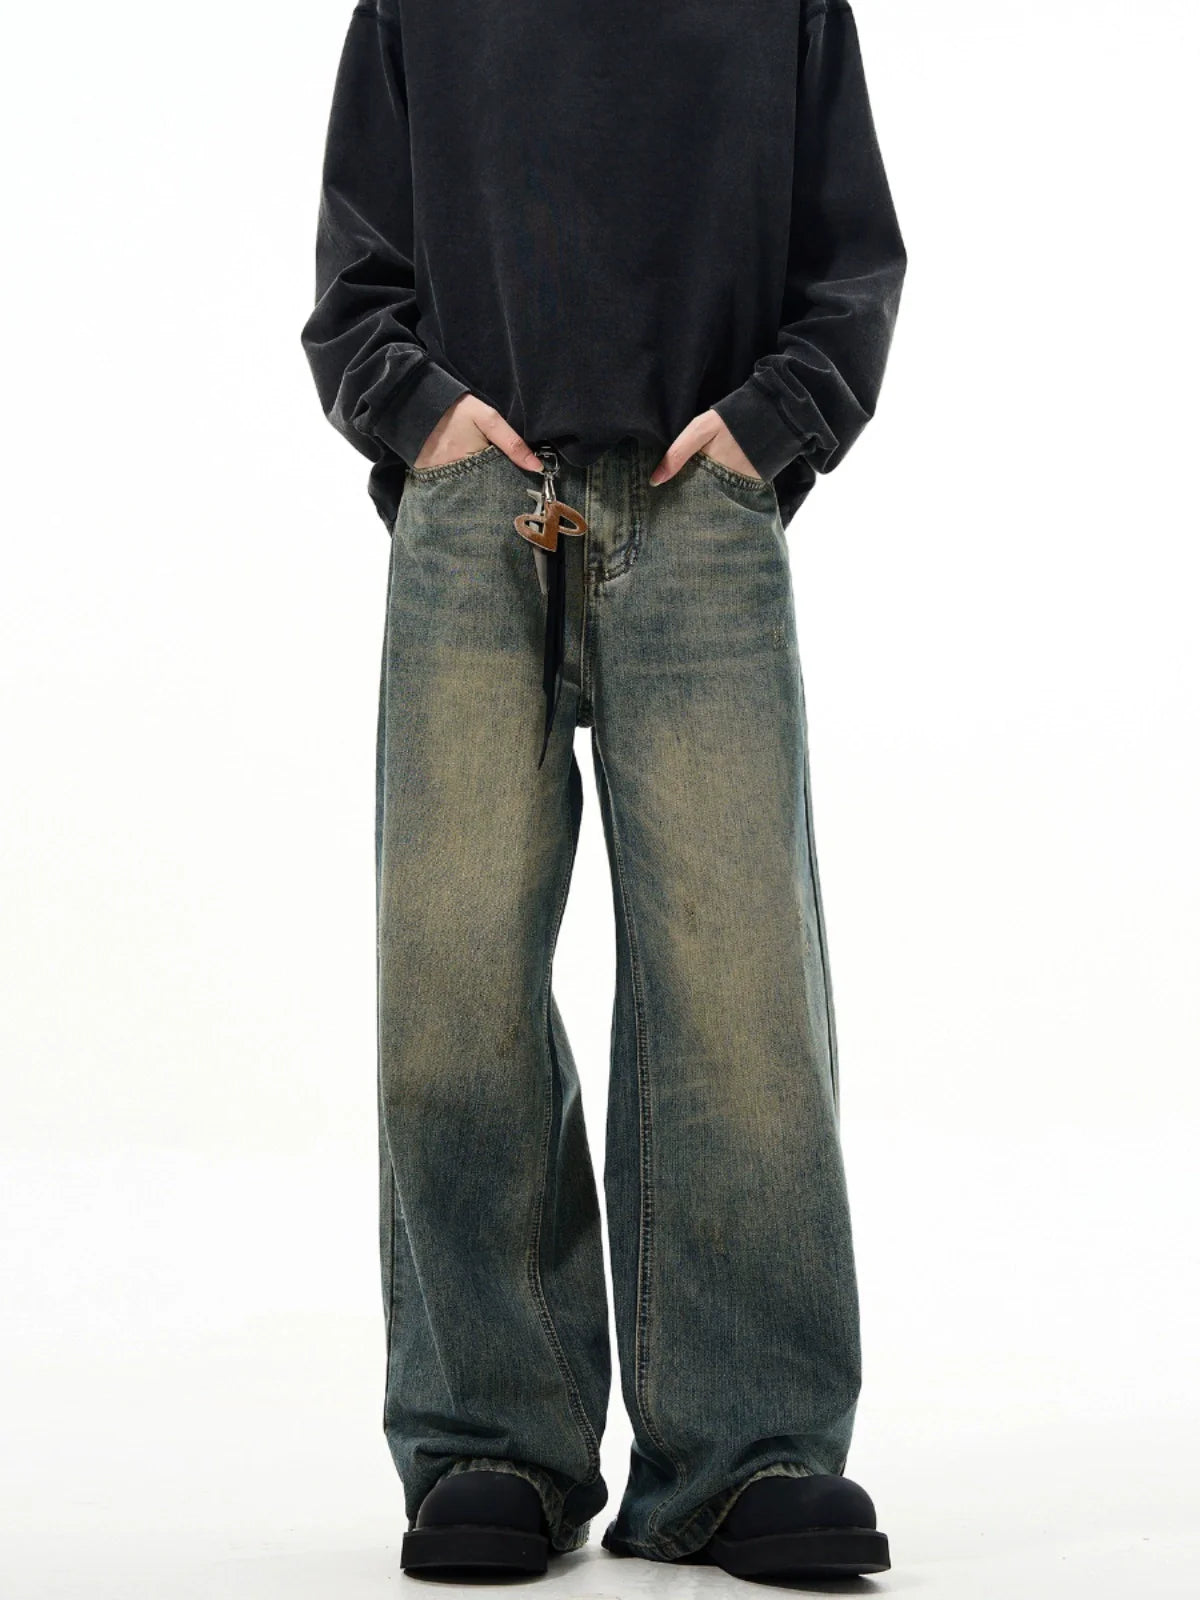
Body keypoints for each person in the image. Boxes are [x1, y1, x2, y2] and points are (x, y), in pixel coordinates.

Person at [300, 0, 905, 1583]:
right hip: (474, 511)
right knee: (453, 983)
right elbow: (355, 271)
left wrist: (771, 427)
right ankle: (494, 1437)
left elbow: (853, 259)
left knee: (739, 989)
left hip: (701, 514)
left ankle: (746, 1448)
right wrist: (421, 418)